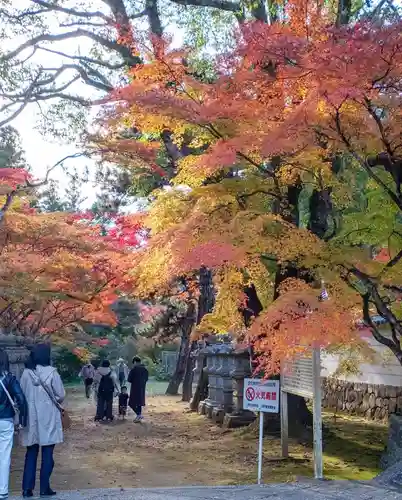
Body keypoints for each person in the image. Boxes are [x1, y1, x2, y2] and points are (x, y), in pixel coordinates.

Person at [20, 344, 65, 498]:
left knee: (31, 453)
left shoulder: (26, 373)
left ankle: (27, 489)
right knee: (47, 453)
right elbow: (60, 395)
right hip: (48, 417)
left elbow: (21, 394)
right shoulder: (52, 373)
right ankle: (44, 488)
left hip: (31, 418)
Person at [0, 349, 28, 500]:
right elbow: (21, 399)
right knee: (4, 456)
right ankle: (2, 490)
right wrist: (22, 421)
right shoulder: (9, 378)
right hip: (5, 420)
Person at [128, 356, 149, 423]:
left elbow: (129, 379)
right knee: (139, 403)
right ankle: (139, 415)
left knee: (131, 403)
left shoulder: (134, 369)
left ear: (135, 362)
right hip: (142, 388)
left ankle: (138, 414)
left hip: (134, 388)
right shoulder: (145, 369)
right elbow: (146, 379)